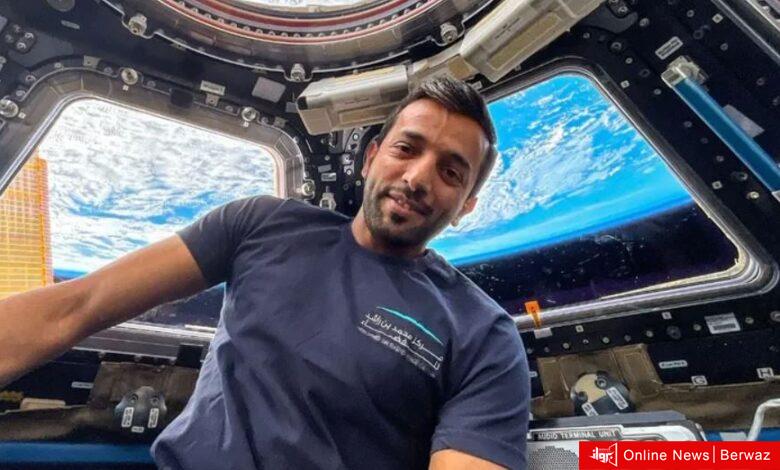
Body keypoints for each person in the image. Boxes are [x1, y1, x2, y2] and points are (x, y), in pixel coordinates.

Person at [0, 76, 530, 469]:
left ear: (465, 205)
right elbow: (78, 305)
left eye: (450, 172)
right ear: (371, 158)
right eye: (406, 149)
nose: (417, 177)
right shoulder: (261, 224)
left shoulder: (483, 335)